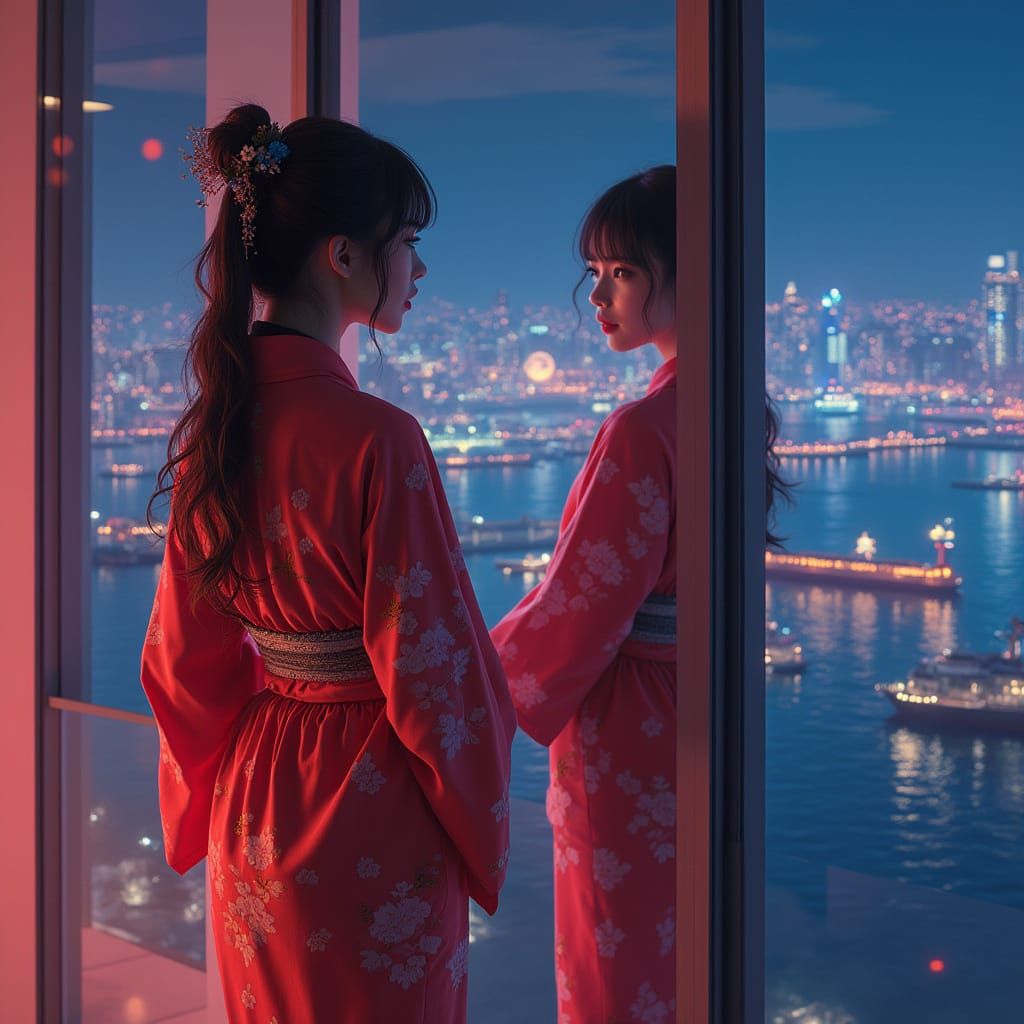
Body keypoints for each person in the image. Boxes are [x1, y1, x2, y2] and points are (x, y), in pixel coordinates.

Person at [140, 104, 515, 1024]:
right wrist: (480, 827)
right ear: (343, 257)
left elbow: (180, 667)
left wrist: (205, 802)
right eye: (407, 244)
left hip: (257, 800)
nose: (419, 270)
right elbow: (433, 674)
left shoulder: (213, 433)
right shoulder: (380, 438)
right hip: (372, 799)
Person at [491, 165, 788, 1022]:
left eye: (620, 271)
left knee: (616, 966)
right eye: (594, 272)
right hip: (708, 705)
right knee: (696, 951)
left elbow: (577, 609)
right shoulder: (733, 403)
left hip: (632, 730)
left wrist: (463, 687)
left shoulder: (640, 429)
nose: (597, 294)